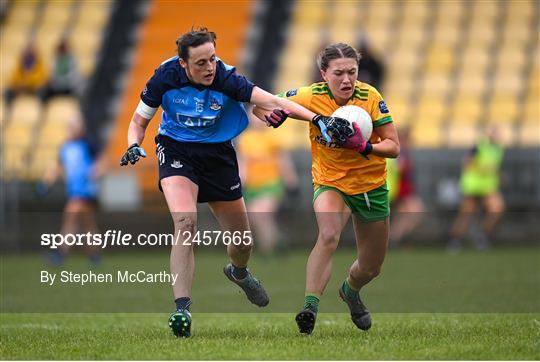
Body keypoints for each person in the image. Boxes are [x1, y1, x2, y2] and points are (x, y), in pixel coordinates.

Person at [119, 28, 351, 338]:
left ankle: (239, 272)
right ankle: (182, 309)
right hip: (176, 150)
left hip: (218, 155)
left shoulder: (226, 78)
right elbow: (138, 122)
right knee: (185, 222)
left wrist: (317, 119)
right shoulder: (164, 77)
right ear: (183, 63)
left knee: (242, 243)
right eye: (200, 63)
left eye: (212, 59)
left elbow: (272, 100)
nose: (209, 67)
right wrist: (134, 144)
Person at [255, 42, 399, 335]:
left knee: (371, 267)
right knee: (329, 233)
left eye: (352, 72)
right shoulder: (311, 96)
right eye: (338, 73)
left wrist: (366, 146)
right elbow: (261, 104)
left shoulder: (371, 98)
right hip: (329, 181)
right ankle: (310, 307)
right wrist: (272, 116)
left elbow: (394, 146)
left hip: (370, 186)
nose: (346, 80)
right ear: (324, 73)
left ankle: (350, 290)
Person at [38, 117, 106, 265]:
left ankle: (60, 253)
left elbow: (102, 162)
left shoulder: (88, 144)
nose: (70, 130)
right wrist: (46, 183)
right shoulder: (65, 147)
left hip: (86, 190)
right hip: (74, 190)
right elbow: (57, 167)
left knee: (70, 217)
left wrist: (96, 171)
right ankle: (95, 255)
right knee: (87, 224)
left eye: (73, 127)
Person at [237, 108, 299, 256]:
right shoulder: (245, 138)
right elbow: (242, 162)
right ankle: (279, 241)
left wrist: (291, 181)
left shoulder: (272, 137)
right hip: (252, 185)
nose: (256, 120)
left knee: (262, 214)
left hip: (271, 183)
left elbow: (283, 161)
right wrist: (241, 181)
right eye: (252, 116)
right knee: (255, 217)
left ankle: (266, 250)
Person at [448, 126, 505, 251]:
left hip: (488, 187)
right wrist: (484, 169)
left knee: (497, 209)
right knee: (466, 214)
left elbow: (494, 167)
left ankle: (481, 236)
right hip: (472, 186)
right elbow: (467, 163)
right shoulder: (478, 146)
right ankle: (455, 240)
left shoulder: (498, 148)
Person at [388, 127, 425, 248]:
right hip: (400, 191)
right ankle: (393, 239)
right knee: (415, 212)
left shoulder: (401, 151)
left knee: (405, 216)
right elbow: (400, 169)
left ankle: (393, 239)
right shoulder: (400, 151)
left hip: (401, 191)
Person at [4, 39, 47, 120]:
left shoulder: (39, 62)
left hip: (33, 88)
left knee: (43, 91)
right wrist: (19, 84)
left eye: (31, 49)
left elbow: (42, 77)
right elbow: (14, 77)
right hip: (21, 87)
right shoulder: (20, 62)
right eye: (27, 49)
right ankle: (8, 113)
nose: (28, 51)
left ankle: (41, 114)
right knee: (8, 92)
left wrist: (29, 82)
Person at [39, 38, 82, 104]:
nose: (64, 49)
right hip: (57, 86)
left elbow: (74, 75)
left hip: (69, 86)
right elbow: (52, 74)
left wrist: (65, 81)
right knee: (43, 91)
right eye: (63, 47)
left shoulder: (72, 60)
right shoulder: (56, 60)